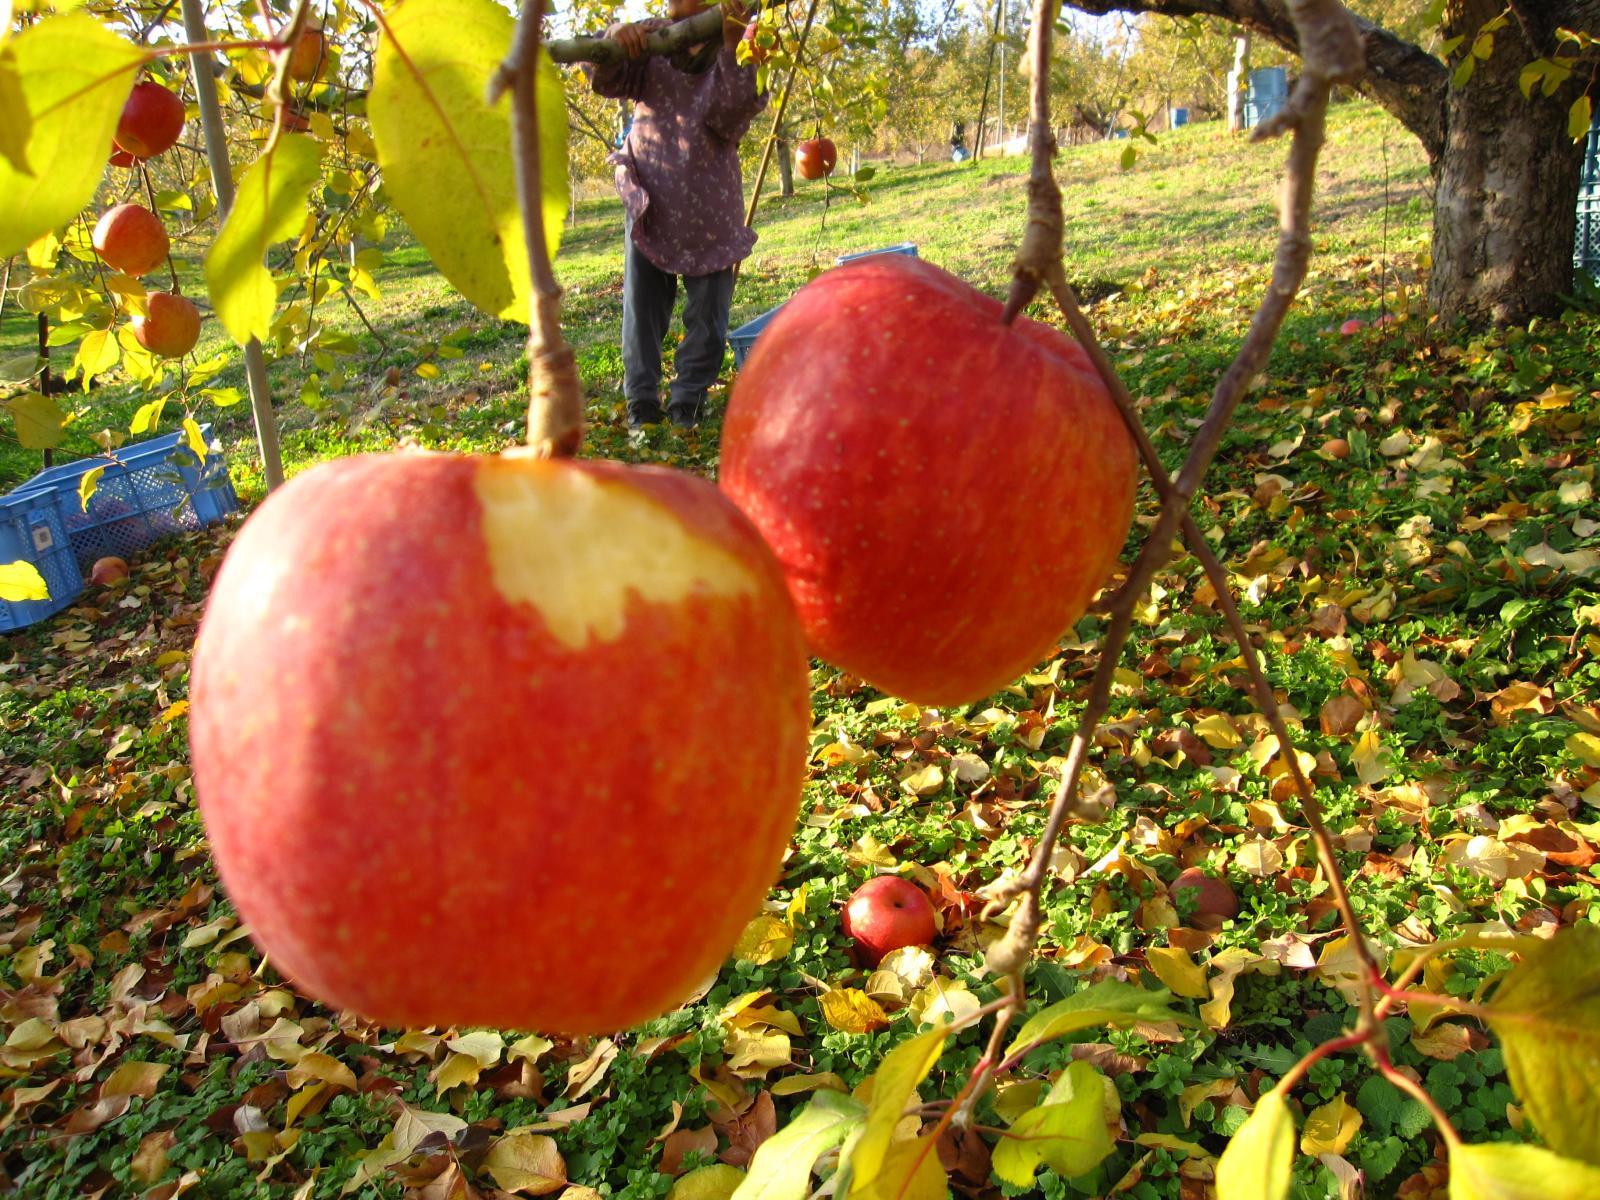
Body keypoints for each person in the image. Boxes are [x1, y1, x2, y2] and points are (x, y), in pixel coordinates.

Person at [586, 0, 767, 432]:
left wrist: (729, 44)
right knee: (642, 308)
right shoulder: (652, 37)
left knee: (708, 314)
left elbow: (730, 116)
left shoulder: (741, 44)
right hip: (651, 198)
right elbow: (607, 76)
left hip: (710, 203)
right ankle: (642, 402)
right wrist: (615, 37)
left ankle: (687, 400)